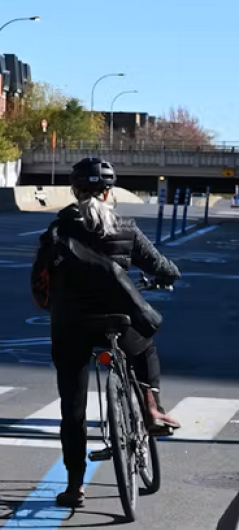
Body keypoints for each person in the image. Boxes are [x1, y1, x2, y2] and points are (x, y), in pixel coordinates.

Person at [32, 157, 181, 508]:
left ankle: (74, 487)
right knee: (145, 348)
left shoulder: (57, 232)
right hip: (119, 322)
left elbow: (40, 285)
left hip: (71, 327)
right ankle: (151, 407)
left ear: (74, 190)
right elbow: (164, 268)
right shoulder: (126, 229)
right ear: (109, 192)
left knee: (73, 407)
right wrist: (165, 276)